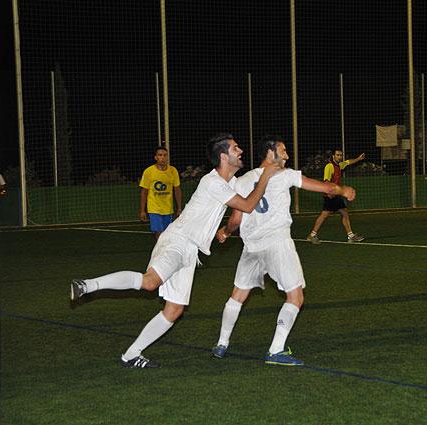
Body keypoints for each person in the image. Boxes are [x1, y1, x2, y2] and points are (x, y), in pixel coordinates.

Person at [70, 133, 281, 368]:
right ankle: (87, 285)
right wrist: (266, 175)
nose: (240, 151)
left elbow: (243, 204)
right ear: (223, 156)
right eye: (235, 148)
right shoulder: (212, 182)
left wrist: (226, 230)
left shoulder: (231, 183)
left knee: (174, 310)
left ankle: (131, 355)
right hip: (177, 240)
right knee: (150, 282)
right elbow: (248, 205)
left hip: (190, 251)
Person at [211, 135, 356, 366]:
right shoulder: (285, 174)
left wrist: (226, 232)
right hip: (277, 243)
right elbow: (324, 186)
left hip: (251, 246)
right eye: (283, 151)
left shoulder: (242, 181)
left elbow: (236, 220)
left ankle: (221, 343)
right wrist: (343, 190)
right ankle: (276, 350)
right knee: (295, 297)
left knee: (238, 295)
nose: (287, 155)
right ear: (271, 153)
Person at [307, 149, 365, 244]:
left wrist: (358, 158)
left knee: (344, 213)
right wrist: (329, 193)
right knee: (325, 214)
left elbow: (348, 162)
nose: (339, 157)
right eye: (337, 155)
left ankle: (350, 236)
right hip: (330, 194)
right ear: (333, 156)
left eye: (340, 155)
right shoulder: (329, 166)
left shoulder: (339, 165)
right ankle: (312, 235)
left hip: (336, 194)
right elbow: (326, 180)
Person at [139, 146, 182, 241]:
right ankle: (159, 251)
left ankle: (162, 250)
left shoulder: (173, 171)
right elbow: (144, 192)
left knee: (166, 235)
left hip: (168, 209)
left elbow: (177, 190)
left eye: (165, 155)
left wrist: (179, 208)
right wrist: (142, 210)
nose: (163, 157)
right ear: (156, 157)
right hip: (154, 208)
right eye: (160, 155)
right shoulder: (149, 171)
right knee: (159, 234)